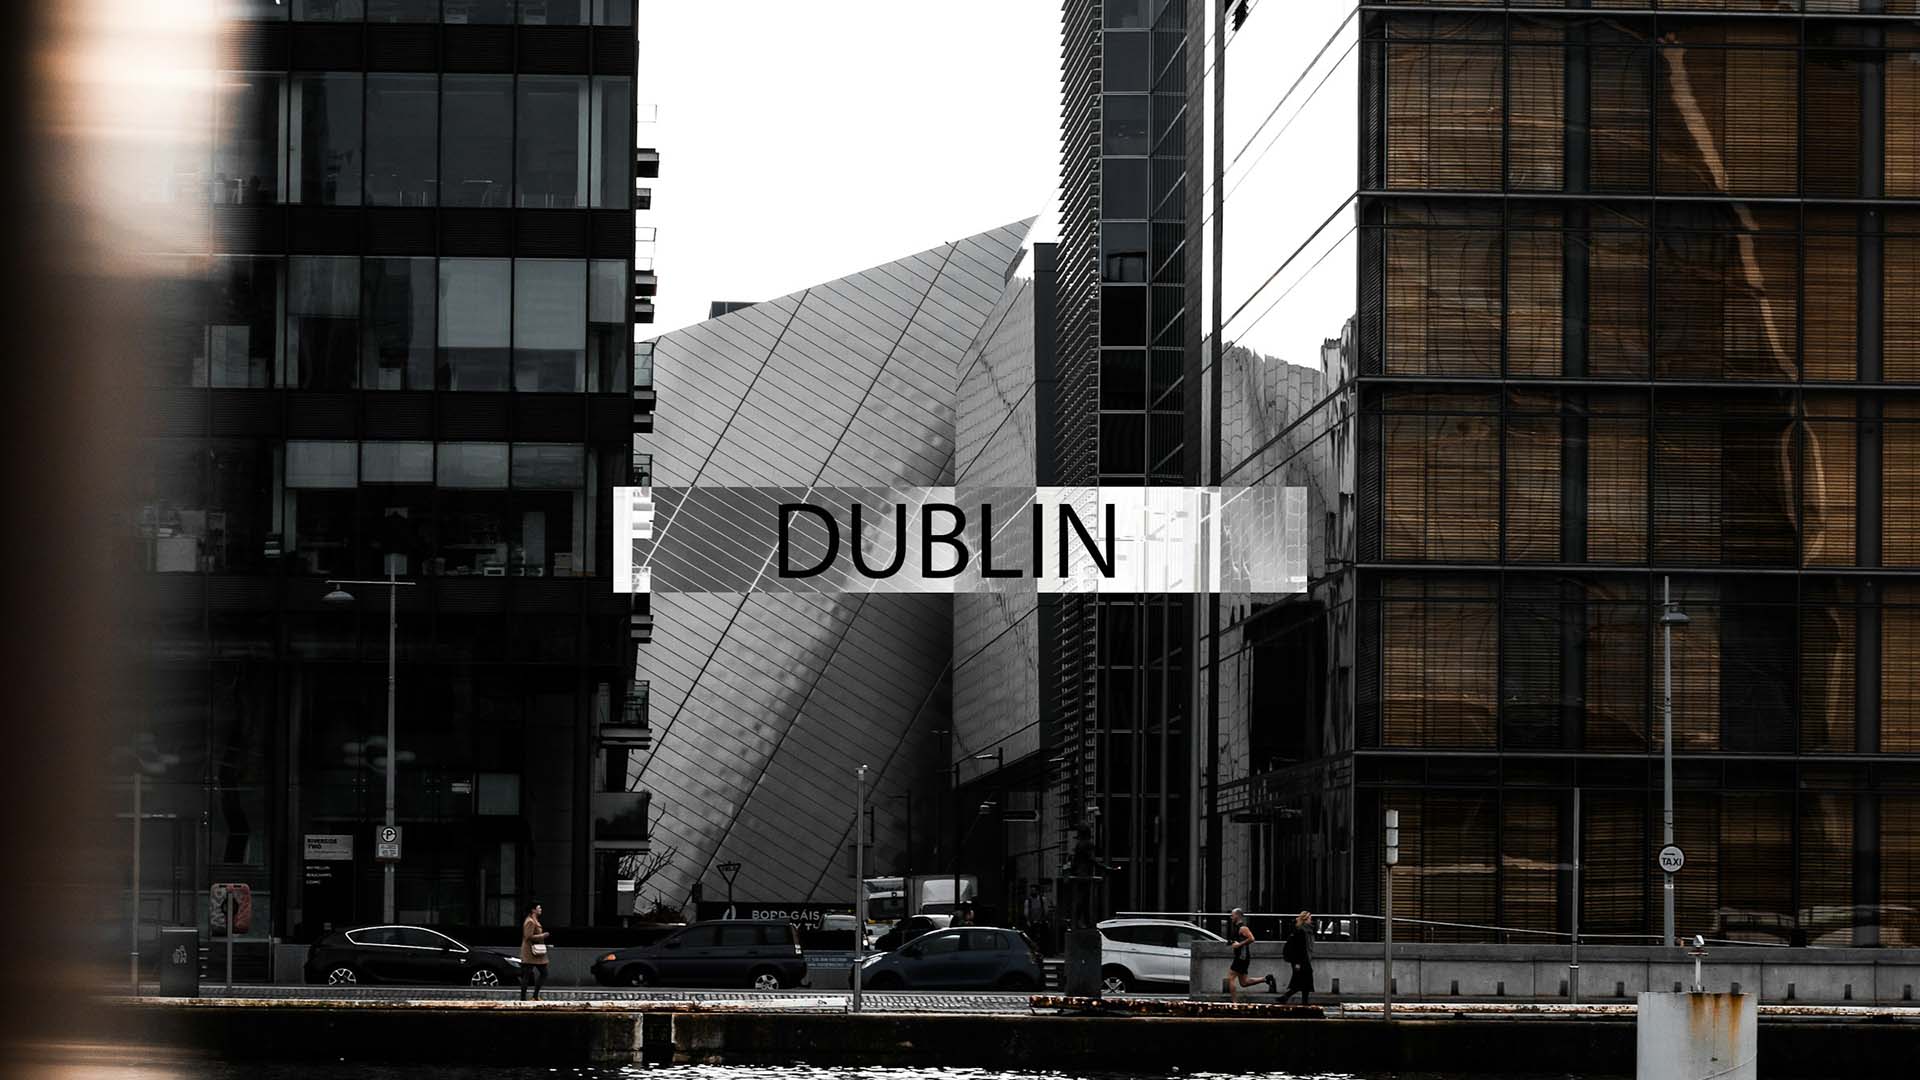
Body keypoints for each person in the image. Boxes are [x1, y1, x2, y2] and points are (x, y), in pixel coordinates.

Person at [1220, 907, 1276, 1001]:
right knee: (1244, 983)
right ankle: (1266, 979)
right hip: (1242, 957)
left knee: (1231, 978)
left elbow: (1252, 939)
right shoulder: (1236, 927)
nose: (1231, 917)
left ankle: (1234, 1003)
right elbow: (1237, 939)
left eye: (1232, 915)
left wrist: (1239, 945)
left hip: (1242, 957)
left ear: (1237, 915)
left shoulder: (1243, 928)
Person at [1279, 911, 1315, 1005]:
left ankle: (1287, 998)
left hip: (1303, 959)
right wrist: (1298, 963)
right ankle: (1288, 998)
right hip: (1300, 960)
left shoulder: (1306, 930)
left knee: (1302, 981)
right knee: (1302, 980)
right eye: (1310, 918)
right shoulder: (1300, 931)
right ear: (1305, 920)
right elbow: (1298, 948)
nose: (1311, 920)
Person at [519, 901, 550, 1000]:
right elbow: (528, 936)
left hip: (536, 952)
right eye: (539, 908)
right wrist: (543, 935)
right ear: (533, 910)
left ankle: (535, 996)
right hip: (530, 952)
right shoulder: (530, 921)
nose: (541, 909)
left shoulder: (534, 920)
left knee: (543, 973)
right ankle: (523, 998)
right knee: (527, 975)